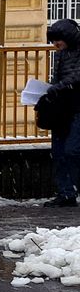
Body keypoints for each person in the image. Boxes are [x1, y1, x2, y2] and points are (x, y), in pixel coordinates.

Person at [44, 18, 80, 207]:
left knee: (72, 151)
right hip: (62, 109)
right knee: (58, 153)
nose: (55, 44)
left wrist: (58, 87)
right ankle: (66, 192)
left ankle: (71, 189)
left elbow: (75, 77)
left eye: (58, 40)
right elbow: (59, 78)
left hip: (76, 108)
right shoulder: (60, 55)